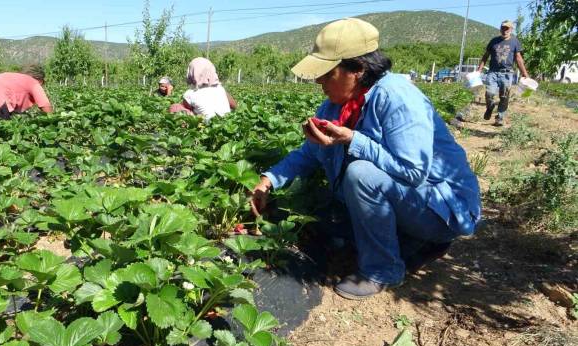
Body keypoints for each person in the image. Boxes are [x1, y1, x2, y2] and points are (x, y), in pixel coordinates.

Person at [250, 18, 481, 299]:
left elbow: (413, 171)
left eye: (327, 73)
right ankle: (413, 242)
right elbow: (309, 153)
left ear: (358, 69)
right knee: (327, 222)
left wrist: (353, 140)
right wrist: (268, 181)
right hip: (410, 201)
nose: (320, 81)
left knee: (361, 174)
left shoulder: (397, 97)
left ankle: (383, 269)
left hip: (442, 209)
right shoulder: (337, 105)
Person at [477, 20, 529, 126]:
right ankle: (490, 106)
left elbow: (518, 58)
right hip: (492, 72)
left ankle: (499, 118)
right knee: (489, 93)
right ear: (500, 28)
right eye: (503, 28)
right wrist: (479, 69)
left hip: (507, 73)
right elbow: (485, 56)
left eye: (507, 28)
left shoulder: (515, 42)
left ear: (511, 29)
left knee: (504, 97)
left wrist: (525, 73)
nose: (505, 30)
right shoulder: (494, 41)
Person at [169, 57, 237, 120]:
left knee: (175, 107)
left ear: (191, 73)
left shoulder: (190, 94)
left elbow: (186, 108)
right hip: (225, 121)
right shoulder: (220, 89)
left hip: (205, 125)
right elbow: (234, 105)